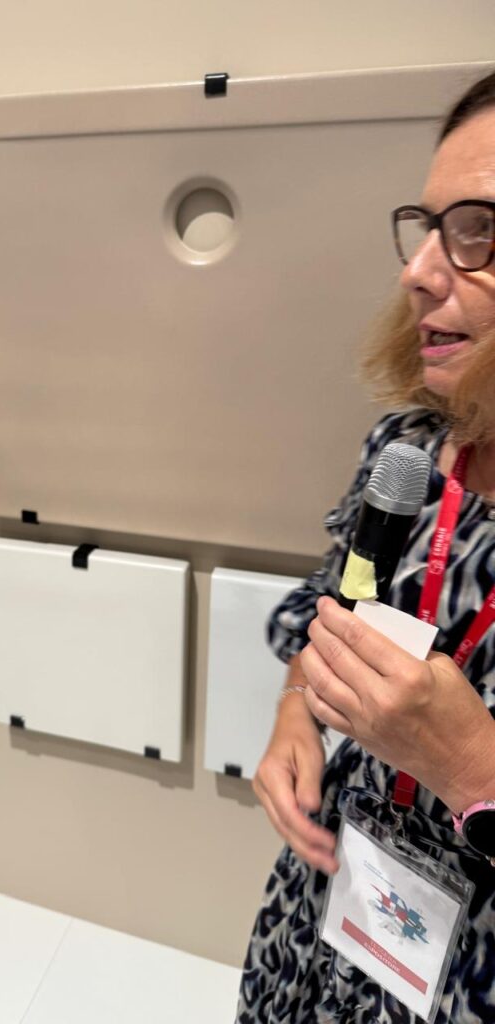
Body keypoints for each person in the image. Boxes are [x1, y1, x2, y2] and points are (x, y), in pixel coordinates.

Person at [235, 69, 495, 1024]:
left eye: (480, 230)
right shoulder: (410, 449)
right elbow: (329, 603)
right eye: (429, 227)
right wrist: (296, 711)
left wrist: (477, 773)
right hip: (334, 910)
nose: (420, 270)